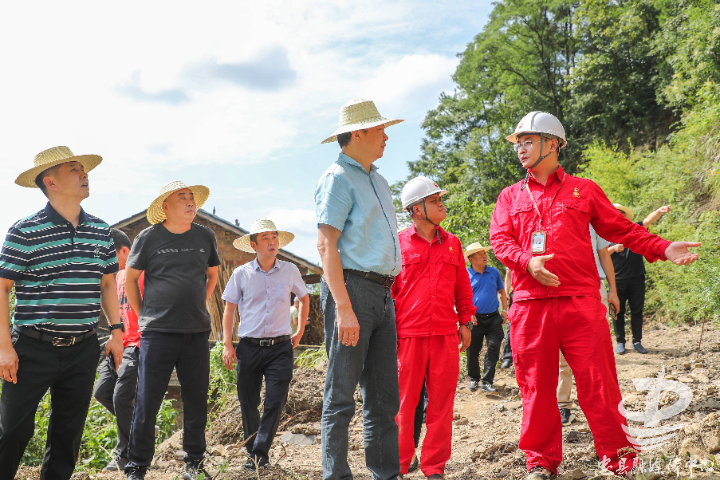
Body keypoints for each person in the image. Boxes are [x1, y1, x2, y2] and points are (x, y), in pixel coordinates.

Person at [490, 111, 700, 479]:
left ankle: (621, 461)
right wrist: (527, 262)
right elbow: (500, 241)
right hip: (529, 306)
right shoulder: (509, 197)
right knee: (536, 390)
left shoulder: (583, 189)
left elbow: (621, 229)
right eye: (518, 143)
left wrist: (663, 247)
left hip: (580, 303)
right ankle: (540, 463)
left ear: (552, 144)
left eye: (528, 141)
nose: (520, 148)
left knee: (599, 385)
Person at [0, 146, 123, 479]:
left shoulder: (100, 230)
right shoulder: (24, 231)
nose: (84, 174)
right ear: (50, 181)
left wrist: (116, 333)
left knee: (67, 436)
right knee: (11, 432)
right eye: (74, 169)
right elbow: (2, 288)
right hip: (30, 347)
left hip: (83, 348)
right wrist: (4, 348)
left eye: (83, 168)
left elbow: (108, 285)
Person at [315, 98, 404, 480]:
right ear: (357, 134)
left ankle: (386, 473)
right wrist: (344, 307)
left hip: (384, 293)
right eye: (380, 129)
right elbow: (325, 245)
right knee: (341, 394)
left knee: (384, 396)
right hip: (350, 290)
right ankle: (335, 475)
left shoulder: (380, 181)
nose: (386, 136)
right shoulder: (337, 177)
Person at [123, 181, 220, 480]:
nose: (191, 202)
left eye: (192, 198)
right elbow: (130, 280)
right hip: (157, 334)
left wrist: (197, 305)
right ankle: (137, 466)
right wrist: (146, 317)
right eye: (183, 197)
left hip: (196, 332)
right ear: (165, 206)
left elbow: (213, 275)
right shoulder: (148, 238)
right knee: (146, 400)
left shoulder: (206, 235)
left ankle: (194, 462)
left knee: (196, 398)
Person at [391, 176, 475, 479]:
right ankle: (397, 467)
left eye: (441, 198)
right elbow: (389, 293)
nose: (441, 203)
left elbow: (463, 287)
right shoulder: (397, 243)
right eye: (434, 199)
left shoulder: (453, 243)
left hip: (444, 336)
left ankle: (434, 468)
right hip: (407, 337)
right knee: (404, 405)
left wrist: (466, 321)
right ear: (416, 209)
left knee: (441, 405)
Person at [220, 219, 310, 470]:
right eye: (266, 238)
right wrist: (228, 344)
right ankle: (253, 454)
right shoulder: (241, 274)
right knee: (248, 401)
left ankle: (259, 453)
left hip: (281, 347)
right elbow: (229, 309)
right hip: (248, 347)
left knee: (275, 400)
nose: (272, 242)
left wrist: (300, 330)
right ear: (253, 245)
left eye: (275, 237)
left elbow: (304, 297)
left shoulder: (290, 270)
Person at [93, 228, 146, 472]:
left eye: (110, 255)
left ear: (124, 251)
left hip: (137, 345)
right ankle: (141, 425)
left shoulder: (142, 274)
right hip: (118, 344)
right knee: (102, 392)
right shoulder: (112, 278)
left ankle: (124, 455)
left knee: (121, 397)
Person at [557, 225, 619, 426]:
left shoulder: (594, 222)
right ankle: (563, 404)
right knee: (563, 356)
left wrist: (612, 291)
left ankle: (601, 410)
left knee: (596, 352)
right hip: (562, 287)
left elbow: (604, 255)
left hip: (594, 286)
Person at [608, 204, 671, 354]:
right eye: (615, 213)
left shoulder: (635, 229)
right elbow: (600, 254)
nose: (619, 216)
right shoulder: (605, 234)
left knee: (637, 310)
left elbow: (647, 221)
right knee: (616, 312)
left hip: (637, 277)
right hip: (615, 280)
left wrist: (659, 211)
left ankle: (637, 341)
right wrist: (614, 248)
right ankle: (620, 342)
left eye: (621, 213)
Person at [464, 243, 508, 393]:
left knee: (494, 347)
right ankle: (474, 378)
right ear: (471, 259)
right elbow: (461, 297)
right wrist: (467, 314)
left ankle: (487, 381)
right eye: (480, 254)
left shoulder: (493, 272)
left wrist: (504, 310)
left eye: (484, 253)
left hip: (493, 318)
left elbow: (502, 291)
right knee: (472, 350)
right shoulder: (465, 275)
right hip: (474, 319)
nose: (484, 256)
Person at [500, 268, 513, 369]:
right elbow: (509, 273)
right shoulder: (515, 252)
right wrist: (507, 292)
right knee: (512, 325)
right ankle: (508, 357)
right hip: (518, 294)